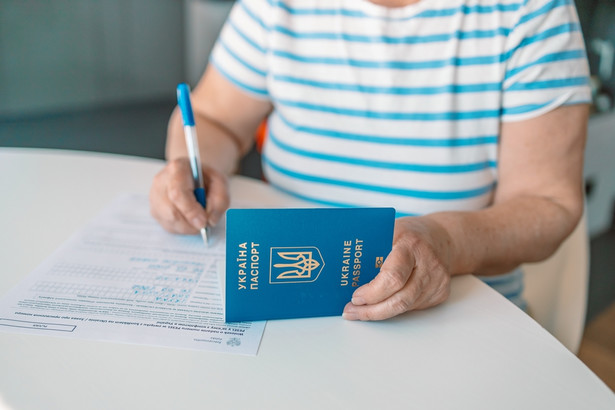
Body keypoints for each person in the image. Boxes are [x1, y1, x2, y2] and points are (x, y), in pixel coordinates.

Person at [150, 0, 591, 320]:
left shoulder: (531, 12)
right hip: (291, 307)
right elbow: (213, 119)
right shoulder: (275, 7)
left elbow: (547, 202)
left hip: (459, 320)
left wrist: (447, 242)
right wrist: (192, 170)